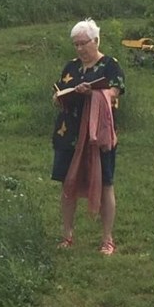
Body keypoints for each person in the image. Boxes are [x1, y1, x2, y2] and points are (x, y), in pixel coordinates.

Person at [51, 18, 125, 254]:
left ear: (96, 40)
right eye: (76, 44)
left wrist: (93, 92)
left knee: (105, 183)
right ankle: (67, 235)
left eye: (84, 43)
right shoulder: (71, 67)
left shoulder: (110, 65)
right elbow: (60, 91)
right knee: (67, 183)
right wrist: (60, 97)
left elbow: (113, 93)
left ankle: (107, 239)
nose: (80, 48)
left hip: (98, 136)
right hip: (68, 132)